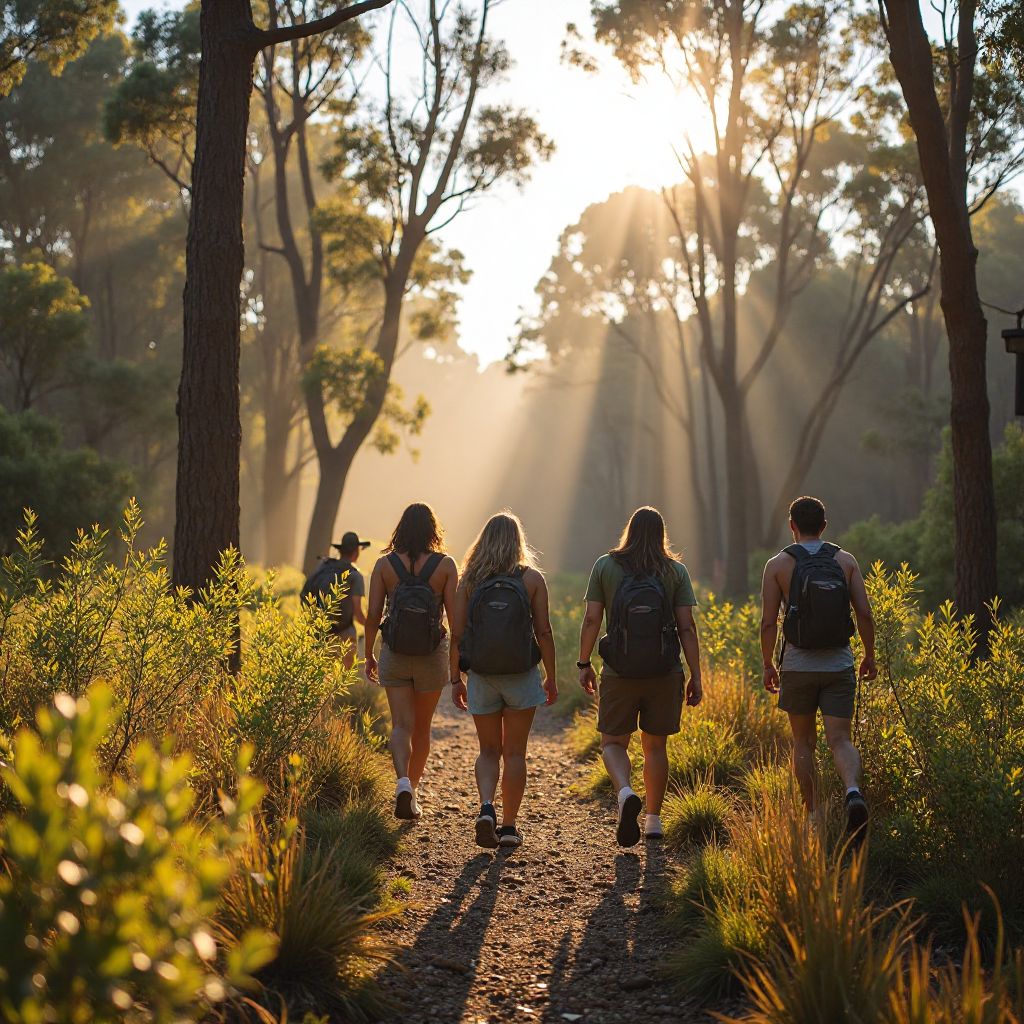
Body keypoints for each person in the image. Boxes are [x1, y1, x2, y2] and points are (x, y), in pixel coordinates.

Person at [577, 507, 703, 848]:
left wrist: (583, 662)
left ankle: (625, 792)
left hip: (619, 671)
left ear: (629, 531)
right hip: (665, 672)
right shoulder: (675, 571)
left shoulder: (606, 566)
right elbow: (686, 627)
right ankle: (653, 821)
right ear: (661, 533)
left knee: (613, 743)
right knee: (655, 746)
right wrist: (696, 675)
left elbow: (592, 620)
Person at [759, 495, 877, 839]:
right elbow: (864, 614)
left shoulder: (778, 565)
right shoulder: (846, 560)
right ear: (824, 526)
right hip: (839, 663)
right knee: (840, 739)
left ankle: (814, 814)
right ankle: (852, 791)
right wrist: (869, 655)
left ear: (792, 526)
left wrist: (768, 663)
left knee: (802, 741)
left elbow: (769, 623)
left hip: (797, 666)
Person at [449, 512, 557, 850]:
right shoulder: (532, 579)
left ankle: (485, 808)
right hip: (521, 676)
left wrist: (455, 679)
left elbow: (457, 635)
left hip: (482, 676)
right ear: (518, 541)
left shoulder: (469, 581)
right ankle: (509, 827)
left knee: (487, 750)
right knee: (515, 753)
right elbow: (544, 631)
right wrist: (551, 677)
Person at [364, 503, 458, 821]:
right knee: (422, 728)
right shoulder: (445, 565)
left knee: (401, 725)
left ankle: (402, 781)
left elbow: (374, 615)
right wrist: (458, 668)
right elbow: (456, 623)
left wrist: (368, 654)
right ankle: (413, 792)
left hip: (395, 653)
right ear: (433, 529)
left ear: (401, 528)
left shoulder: (384, 565)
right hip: (432, 656)